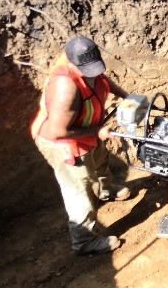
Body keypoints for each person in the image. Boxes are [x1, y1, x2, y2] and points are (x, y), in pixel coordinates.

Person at [31, 36, 131, 255]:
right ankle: (84, 241)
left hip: (87, 133)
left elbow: (100, 78)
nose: (93, 72)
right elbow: (59, 131)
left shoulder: (86, 65)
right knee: (79, 190)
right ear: (73, 63)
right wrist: (97, 131)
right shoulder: (65, 87)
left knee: (101, 161)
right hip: (65, 143)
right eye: (89, 69)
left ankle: (105, 191)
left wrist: (126, 95)